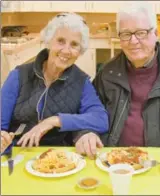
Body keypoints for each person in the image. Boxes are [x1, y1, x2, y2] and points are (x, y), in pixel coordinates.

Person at [76, 2, 160, 171]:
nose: (133, 41)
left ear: (155, 33)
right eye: (126, 34)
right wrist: (85, 133)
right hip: (114, 165)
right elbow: (87, 113)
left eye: (141, 33)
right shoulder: (107, 73)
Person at [1, 13, 108, 154]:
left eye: (74, 44)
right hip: (17, 154)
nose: (66, 50)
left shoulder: (81, 82)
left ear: (80, 51)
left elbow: (101, 119)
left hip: (59, 157)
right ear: (49, 41)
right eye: (61, 41)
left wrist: (54, 120)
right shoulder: (19, 76)